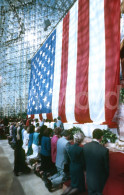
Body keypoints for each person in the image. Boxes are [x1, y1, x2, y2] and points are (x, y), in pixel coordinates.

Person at [83, 128, 109, 195]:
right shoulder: (104, 150)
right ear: (101, 137)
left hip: (89, 177)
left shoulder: (85, 146)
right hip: (100, 178)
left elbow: (83, 162)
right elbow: (106, 168)